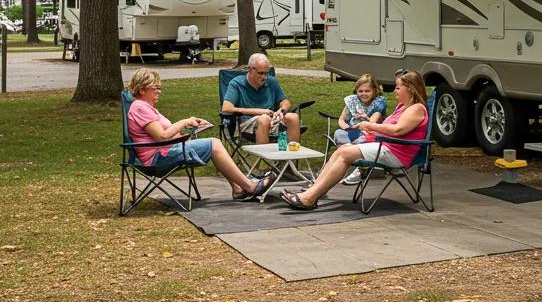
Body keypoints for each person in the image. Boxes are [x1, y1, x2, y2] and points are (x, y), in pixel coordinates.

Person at [280, 69, 429, 210]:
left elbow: (398, 130)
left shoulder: (416, 108)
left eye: (398, 87)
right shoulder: (402, 107)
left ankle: (309, 198)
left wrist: (371, 126)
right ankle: (313, 191)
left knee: (345, 154)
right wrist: (371, 127)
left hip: (397, 152)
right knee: (343, 149)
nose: (395, 90)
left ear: (410, 88)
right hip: (386, 147)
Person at [126, 68, 273, 201]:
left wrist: (190, 129)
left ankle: (238, 188)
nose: (159, 91)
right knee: (214, 144)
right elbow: (161, 136)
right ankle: (250, 187)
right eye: (155, 88)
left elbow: (164, 135)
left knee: (214, 143)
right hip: (158, 158)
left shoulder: (146, 107)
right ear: (142, 89)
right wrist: (185, 121)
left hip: (165, 151)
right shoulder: (140, 107)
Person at [221, 52, 300, 145]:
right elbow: (226, 108)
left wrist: (281, 111)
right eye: (261, 73)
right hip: (246, 123)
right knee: (264, 119)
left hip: (272, 120)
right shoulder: (236, 84)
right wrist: (259, 111)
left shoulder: (271, 81)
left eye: (266, 73)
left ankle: (290, 159)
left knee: (293, 117)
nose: (264, 77)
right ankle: (264, 158)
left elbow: (285, 101)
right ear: (250, 69)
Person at [335, 74, 388, 185]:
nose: (363, 94)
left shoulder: (378, 103)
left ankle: (359, 167)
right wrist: (347, 128)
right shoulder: (352, 101)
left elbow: (372, 123)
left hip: (371, 134)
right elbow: (341, 120)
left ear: (374, 90)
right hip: (353, 132)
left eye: (367, 91)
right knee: (338, 133)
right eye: (360, 91)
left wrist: (365, 118)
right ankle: (351, 158)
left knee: (362, 136)